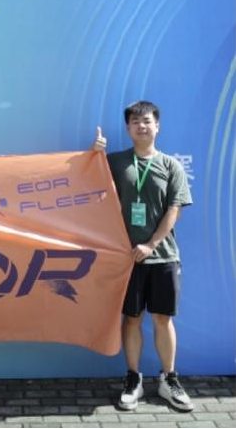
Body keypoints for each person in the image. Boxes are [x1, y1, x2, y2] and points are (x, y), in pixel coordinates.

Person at [93, 101, 193, 412]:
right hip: (127, 259)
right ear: (128, 128)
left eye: (147, 121)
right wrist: (94, 155)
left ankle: (168, 379)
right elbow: (89, 184)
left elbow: (174, 211)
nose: (141, 126)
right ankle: (133, 378)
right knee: (132, 319)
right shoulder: (114, 161)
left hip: (163, 257)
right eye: (135, 121)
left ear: (157, 126)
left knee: (163, 319)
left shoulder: (171, 166)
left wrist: (151, 244)